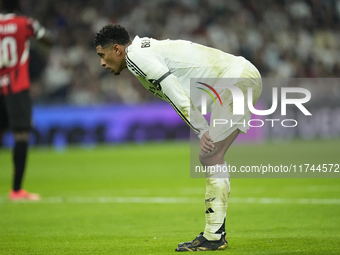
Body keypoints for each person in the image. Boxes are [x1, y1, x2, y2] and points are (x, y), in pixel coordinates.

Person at [94, 24, 262, 252]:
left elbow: (174, 91)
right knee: (212, 157)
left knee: (211, 156)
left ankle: (214, 236)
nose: (102, 63)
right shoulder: (142, 52)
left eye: (102, 56)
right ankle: (215, 234)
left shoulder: (137, 58)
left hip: (236, 80)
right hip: (239, 77)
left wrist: (201, 130)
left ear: (117, 49)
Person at [0, 0, 53, 200]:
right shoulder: (25, 23)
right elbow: (49, 39)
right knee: (21, 136)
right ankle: (16, 190)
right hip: (16, 86)